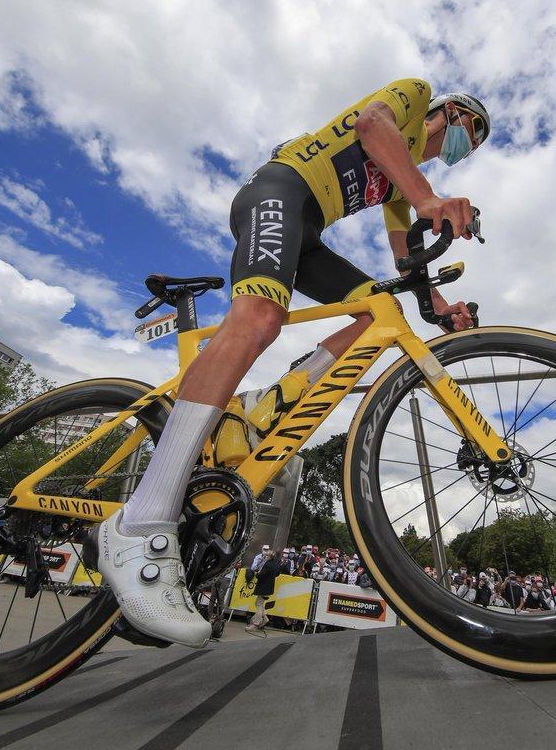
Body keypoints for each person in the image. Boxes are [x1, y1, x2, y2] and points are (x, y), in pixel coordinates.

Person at [95, 83, 491, 647]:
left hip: (306, 234)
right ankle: (139, 521)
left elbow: (407, 262)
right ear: (450, 114)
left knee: (375, 312)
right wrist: (431, 197)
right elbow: (371, 123)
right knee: (260, 318)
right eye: (467, 135)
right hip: (278, 194)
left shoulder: (398, 191)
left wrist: (440, 308)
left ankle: (273, 400)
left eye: (470, 148)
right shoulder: (412, 97)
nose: (463, 149)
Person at [246, 548, 282, 636]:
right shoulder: (275, 564)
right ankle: (265, 618)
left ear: (269, 556)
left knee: (258, 604)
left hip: (263, 586)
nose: (264, 557)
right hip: (269, 587)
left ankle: (256, 624)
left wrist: (256, 574)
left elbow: (261, 575)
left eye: (266, 556)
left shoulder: (268, 564)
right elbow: (277, 574)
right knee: (259, 603)